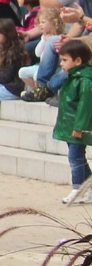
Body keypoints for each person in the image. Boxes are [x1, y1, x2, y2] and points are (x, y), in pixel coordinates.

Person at [53, 39, 92, 205]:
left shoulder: (85, 80)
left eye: (64, 60)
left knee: (75, 157)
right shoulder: (71, 76)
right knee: (78, 157)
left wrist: (79, 127)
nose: (61, 64)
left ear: (78, 61)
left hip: (77, 127)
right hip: (69, 124)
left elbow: (85, 106)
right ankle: (88, 186)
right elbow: (51, 84)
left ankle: (77, 188)